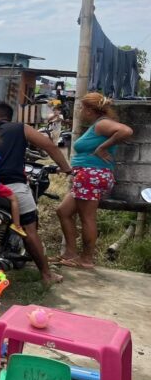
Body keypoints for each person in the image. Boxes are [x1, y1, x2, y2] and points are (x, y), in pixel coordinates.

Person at [0, 101, 71, 286]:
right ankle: (46, 275)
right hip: (12, 186)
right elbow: (50, 146)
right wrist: (66, 168)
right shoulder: (20, 128)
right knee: (30, 230)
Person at [55, 93, 133, 269]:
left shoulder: (103, 123)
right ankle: (71, 254)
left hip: (92, 175)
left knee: (87, 218)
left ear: (90, 110)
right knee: (63, 211)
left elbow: (127, 131)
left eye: (82, 108)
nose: (81, 111)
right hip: (87, 175)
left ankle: (86, 259)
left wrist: (102, 147)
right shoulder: (97, 125)